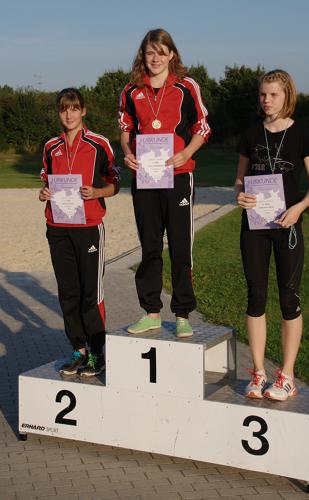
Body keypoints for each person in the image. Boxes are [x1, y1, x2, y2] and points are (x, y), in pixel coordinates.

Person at [235, 69, 309, 401]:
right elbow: (240, 182)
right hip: (255, 227)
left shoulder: (302, 134)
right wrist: (240, 196)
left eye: (273, 94)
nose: (266, 100)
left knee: (289, 299)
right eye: (262, 94)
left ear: (287, 95)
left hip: (287, 227)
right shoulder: (250, 134)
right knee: (255, 296)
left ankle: (286, 374)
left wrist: (298, 208)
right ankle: (257, 372)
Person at [119, 28, 210, 338]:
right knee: (150, 246)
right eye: (149, 52)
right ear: (142, 55)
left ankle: (182, 313)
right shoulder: (131, 90)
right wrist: (129, 152)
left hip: (179, 176)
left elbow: (203, 126)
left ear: (172, 54)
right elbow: (125, 127)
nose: (155, 57)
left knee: (181, 246)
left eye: (161, 51)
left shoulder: (187, 86)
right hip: (145, 177)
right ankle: (151, 312)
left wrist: (186, 153)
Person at [39, 88, 119, 376]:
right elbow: (45, 180)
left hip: (88, 229)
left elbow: (115, 183)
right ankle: (78, 350)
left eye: (74, 108)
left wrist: (97, 191)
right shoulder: (50, 146)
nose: (69, 114)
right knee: (68, 293)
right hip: (57, 228)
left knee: (90, 294)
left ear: (83, 111)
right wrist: (43, 193)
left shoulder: (99, 144)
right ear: (59, 112)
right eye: (63, 109)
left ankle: (97, 353)